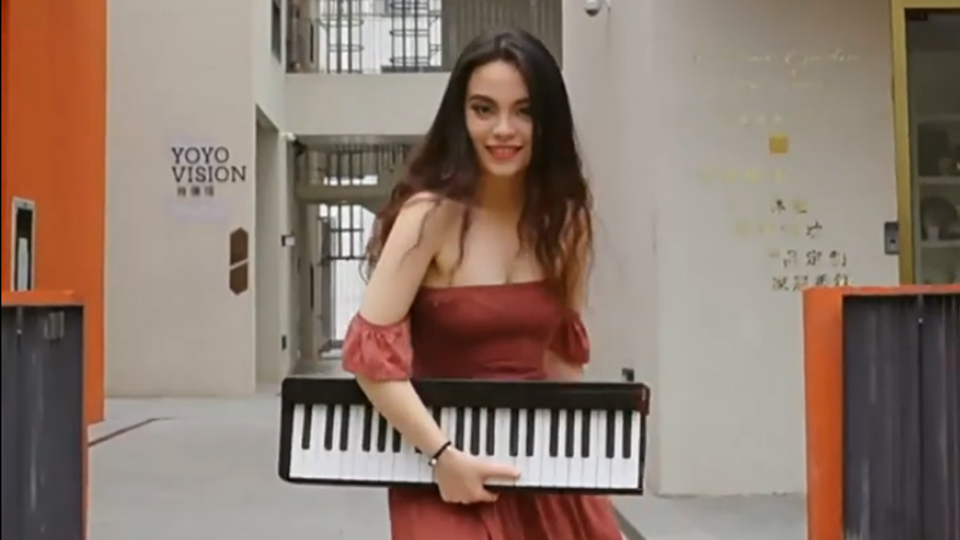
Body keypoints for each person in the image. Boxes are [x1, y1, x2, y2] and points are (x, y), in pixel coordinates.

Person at [341, 27, 624, 540]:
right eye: (484, 109)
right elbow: (370, 362)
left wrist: (592, 489)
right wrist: (443, 457)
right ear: (461, 117)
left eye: (525, 111)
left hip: (540, 460)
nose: (504, 130)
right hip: (436, 464)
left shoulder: (566, 223)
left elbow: (561, 363)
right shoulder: (428, 217)